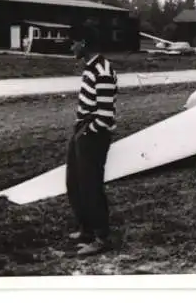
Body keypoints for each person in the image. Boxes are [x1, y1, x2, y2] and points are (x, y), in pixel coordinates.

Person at [66, 39, 118, 256]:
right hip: (83, 130)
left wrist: (87, 133)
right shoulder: (90, 68)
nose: (71, 48)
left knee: (91, 185)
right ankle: (86, 229)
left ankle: (101, 237)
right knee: (75, 182)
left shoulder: (103, 71)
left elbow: (105, 115)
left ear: (84, 43)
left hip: (93, 134)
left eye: (73, 43)